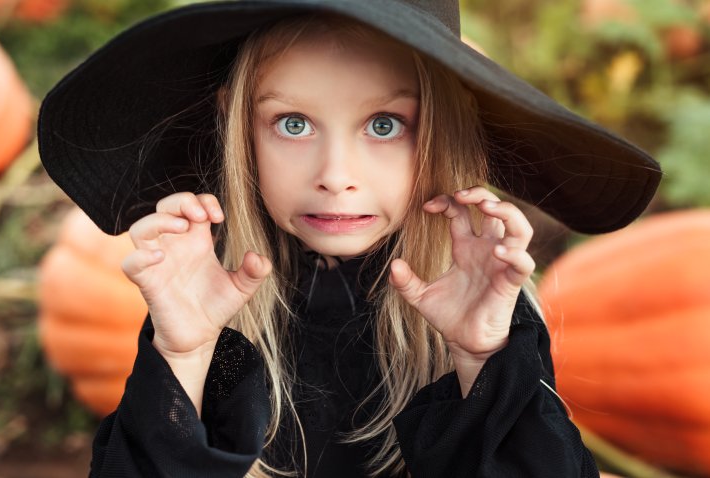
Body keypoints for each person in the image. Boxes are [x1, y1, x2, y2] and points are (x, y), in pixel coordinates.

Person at [37, 1, 661, 477]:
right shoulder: (210, 300)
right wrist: (183, 356)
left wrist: (482, 360)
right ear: (237, 121)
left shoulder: (488, 312)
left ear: (444, 132)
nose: (336, 177)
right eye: (293, 123)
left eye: (385, 125)